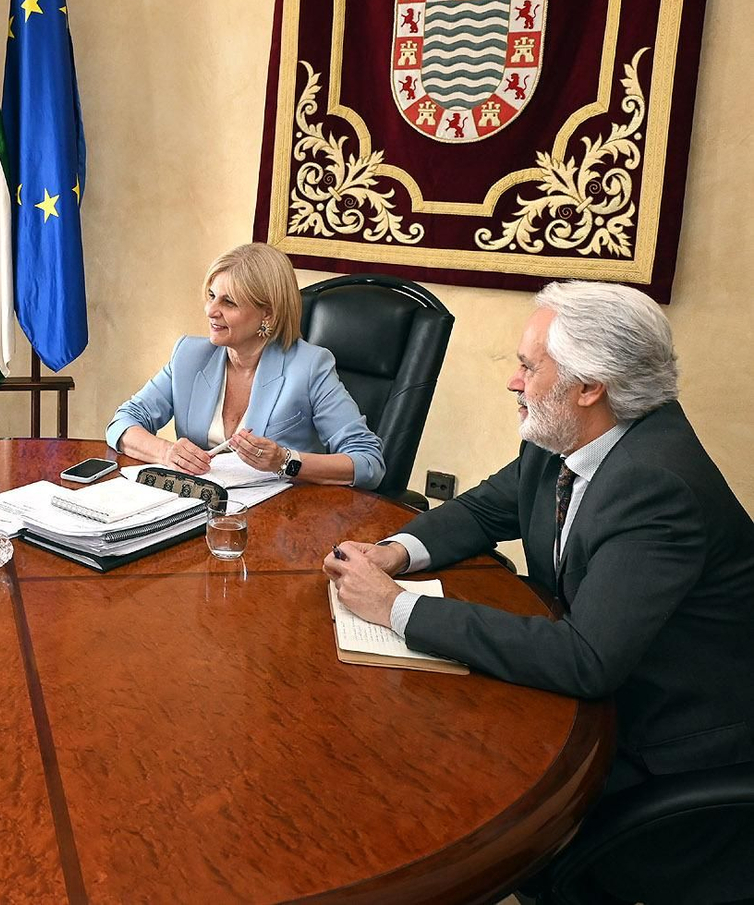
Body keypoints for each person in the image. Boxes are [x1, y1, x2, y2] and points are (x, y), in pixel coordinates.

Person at [324, 281, 754, 900]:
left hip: (663, 757)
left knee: (430, 791)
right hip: (593, 706)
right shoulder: (571, 437)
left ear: (589, 386)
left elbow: (586, 659)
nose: (513, 382)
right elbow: (478, 512)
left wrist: (395, 608)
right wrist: (391, 553)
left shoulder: (655, 486)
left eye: (528, 367)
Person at [106, 243, 384, 488]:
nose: (211, 311)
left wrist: (286, 461)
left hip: (279, 520)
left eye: (229, 302)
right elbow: (123, 422)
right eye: (211, 295)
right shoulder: (190, 355)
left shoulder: (310, 366)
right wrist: (166, 453)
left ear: (268, 313)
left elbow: (368, 462)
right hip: (195, 511)